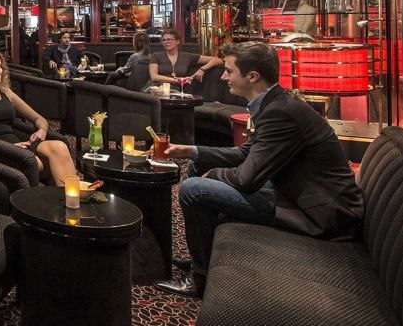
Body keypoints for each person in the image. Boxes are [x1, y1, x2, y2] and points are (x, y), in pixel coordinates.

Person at [153, 41, 363, 298]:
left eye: (229, 71)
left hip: (315, 212)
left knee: (192, 189)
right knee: (199, 163)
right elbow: (246, 154)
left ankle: (200, 278)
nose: (223, 76)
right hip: (289, 190)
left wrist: (214, 175)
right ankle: (203, 254)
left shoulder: (280, 112)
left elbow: (246, 178)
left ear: (253, 76)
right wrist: (190, 151)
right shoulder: (276, 103)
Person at [0, 46, 79, 185]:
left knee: (60, 147)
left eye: (0, 67)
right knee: (49, 164)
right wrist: (8, 148)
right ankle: (65, 200)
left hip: (18, 144)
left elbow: (39, 119)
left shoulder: (4, 91)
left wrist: (41, 131)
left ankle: (71, 200)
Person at [148, 28, 223, 85]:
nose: (166, 42)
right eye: (164, 40)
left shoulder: (187, 56)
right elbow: (154, 77)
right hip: (156, 87)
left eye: (169, 39)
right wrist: (177, 80)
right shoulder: (156, 55)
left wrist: (202, 69)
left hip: (175, 90)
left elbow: (217, 60)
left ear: (177, 41)